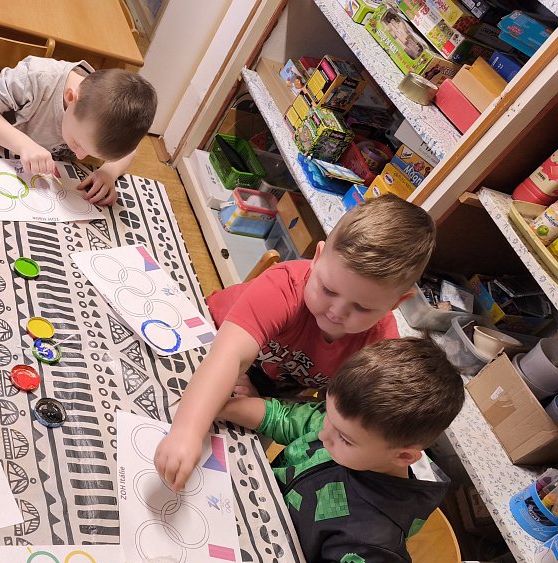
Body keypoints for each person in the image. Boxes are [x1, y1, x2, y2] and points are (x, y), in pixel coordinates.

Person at [154, 194, 436, 491]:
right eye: (328, 289)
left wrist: (267, 403)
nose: (336, 312)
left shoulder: (379, 350)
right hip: (209, 337)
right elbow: (228, 355)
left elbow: (327, 413)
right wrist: (187, 431)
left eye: (362, 308)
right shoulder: (284, 286)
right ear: (317, 258)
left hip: (270, 386)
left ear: (397, 303)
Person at [216, 337, 464, 563]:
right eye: (328, 416)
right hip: (242, 519)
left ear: (403, 456)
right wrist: (217, 406)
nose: (323, 435)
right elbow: (283, 417)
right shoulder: (345, 428)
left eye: (344, 439)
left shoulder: (375, 542)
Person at [0, 57, 157, 206]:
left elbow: (130, 149)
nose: (79, 156)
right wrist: (24, 145)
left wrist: (109, 171)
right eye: (78, 143)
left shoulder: (109, 115)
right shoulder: (37, 77)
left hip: (35, 184)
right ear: (71, 98)